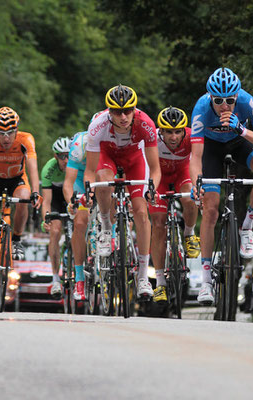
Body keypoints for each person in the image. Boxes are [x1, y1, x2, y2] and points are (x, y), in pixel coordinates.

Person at [190, 67, 253, 305]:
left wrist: (242, 129)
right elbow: (196, 156)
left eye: (230, 100)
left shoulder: (248, 103)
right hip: (211, 149)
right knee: (210, 210)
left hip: (240, 140)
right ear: (210, 97)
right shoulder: (201, 109)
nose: (224, 106)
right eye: (218, 101)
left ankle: (247, 226)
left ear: (237, 96)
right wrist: (195, 183)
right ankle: (207, 281)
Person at [85, 85, 161, 299]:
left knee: (141, 212)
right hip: (107, 158)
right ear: (109, 111)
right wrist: (89, 190)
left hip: (134, 161)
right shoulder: (97, 126)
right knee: (102, 180)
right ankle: (106, 226)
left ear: (134, 109)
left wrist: (151, 187)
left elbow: (155, 169)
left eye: (128, 110)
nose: (123, 116)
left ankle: (143, 276)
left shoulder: (145, 123)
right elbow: (90, 171)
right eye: (117, 112)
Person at [0, 106, 42, 298]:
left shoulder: (26, 139)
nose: (5, 138)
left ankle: (17, 240)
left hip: (17, 179)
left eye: (10, 133)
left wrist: (36, 192)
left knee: (24, 199)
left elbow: (33, 167)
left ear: (16, 130)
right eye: (1, 133)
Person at [149, 107, 200, 303]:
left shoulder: (191, 137)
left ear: (184, 131)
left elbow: (197, 161)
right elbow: (147, 167)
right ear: (160, 131)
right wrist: (150, 190)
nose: (173, 136)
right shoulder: (152, 138)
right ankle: (160, 283)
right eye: (168, 131)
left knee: (189, 198)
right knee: (158, 224)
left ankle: (188, 233)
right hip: (160, 177)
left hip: (182, 174)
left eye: (178, 131)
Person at [40, 137, 71, 297]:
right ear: (55, 156)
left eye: (69, 155)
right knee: (55, 230)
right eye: (61, 156)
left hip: (73, 195)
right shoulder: (48, 169)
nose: (65, 160)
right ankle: (55, 279)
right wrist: (46, 218)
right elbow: (46, 200)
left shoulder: (78, 165)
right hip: (56, 200)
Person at [63, 131, 91, 301]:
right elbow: (68, 183)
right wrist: (71, 202)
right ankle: (79, 278)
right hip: (80, 181)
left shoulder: (114, 141)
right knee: (80, 223)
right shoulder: (79, 145)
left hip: (102, 177)